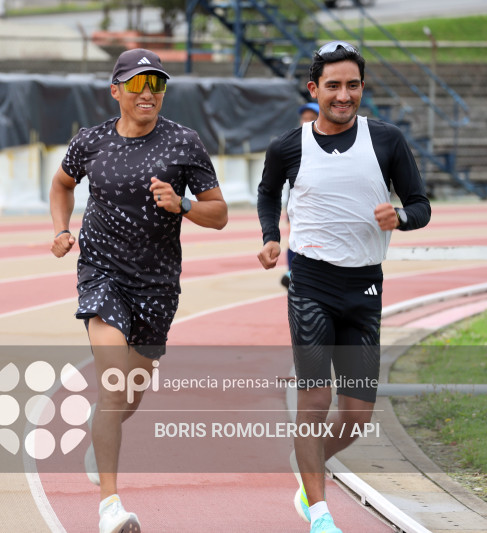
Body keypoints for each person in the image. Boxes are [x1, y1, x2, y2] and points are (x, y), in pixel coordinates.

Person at [49, 48, 228, 533]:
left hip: (157, 286)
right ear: (116, 91)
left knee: (128, 398)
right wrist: (62, 228)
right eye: (136, 84)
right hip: (102, 275)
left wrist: (182, 204)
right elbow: (61, 184)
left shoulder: (184, 143)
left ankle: (100, 436)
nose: (147, 93)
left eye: (156, 84)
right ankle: (110, 506)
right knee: (112, 389)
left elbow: (220, 213)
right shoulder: (91, 142)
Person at [257, 41, 430, 533]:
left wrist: (398, 215)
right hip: (311, 283)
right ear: (315, 90)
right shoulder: (289, 146)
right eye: (333, 85)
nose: (344, 94)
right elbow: (268, 192)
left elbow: (420, 205)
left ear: (361, 89)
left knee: (355, 416)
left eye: (352, 85)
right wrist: (271, 238)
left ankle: (307, 467)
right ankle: (320, 513)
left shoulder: (387, 141)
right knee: (314, 403)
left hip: (364, 289)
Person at [279, 102, 320, 289]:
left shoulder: (328, 142)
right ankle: (292, 271)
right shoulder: (294, 141)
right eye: (304, 117)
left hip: (319, 199)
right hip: (296, 197)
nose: (306, 120)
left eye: (311, 117)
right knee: (294, 237)